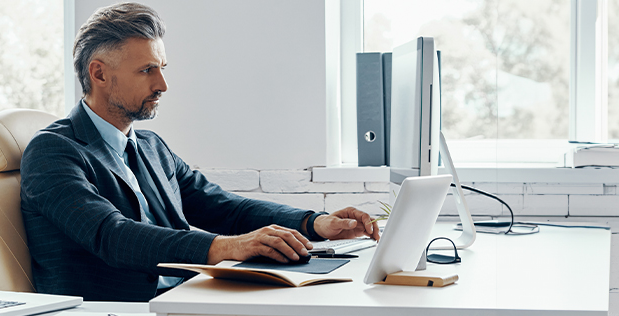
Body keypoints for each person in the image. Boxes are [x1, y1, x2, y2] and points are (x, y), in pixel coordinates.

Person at [19, 2, 379, 302]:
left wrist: (315, 223)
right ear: (98, 73)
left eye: (161, 68)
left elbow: (225, 208)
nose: (162, 84)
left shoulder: (150, 146)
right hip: (118, 309)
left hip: (184, 297)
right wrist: (229, 248)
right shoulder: (52, 152)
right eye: (147, 70)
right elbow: (112, 236)